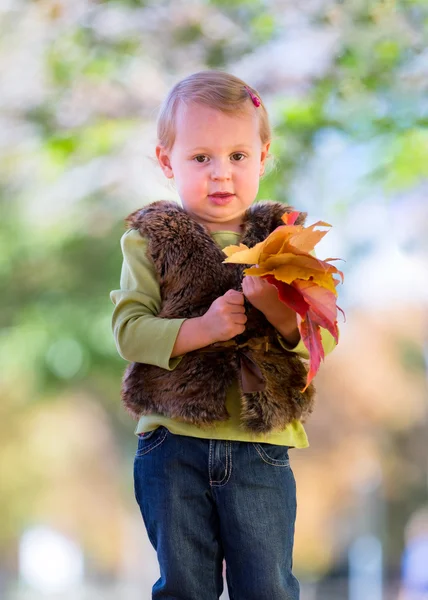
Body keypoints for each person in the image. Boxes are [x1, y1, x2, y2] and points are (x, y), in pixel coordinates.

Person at [110, 70, 338, 600]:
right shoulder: (149, 240)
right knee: (185, 586)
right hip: (173, 442)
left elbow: (311, 339)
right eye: (201, 158)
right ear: (167, 161)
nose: (222, 175)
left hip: (261, 445)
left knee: (269, 586)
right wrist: (203, 328)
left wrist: (276, 311)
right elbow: (129, 331)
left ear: (264, 156)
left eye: (238, 156)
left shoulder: (284, 240)